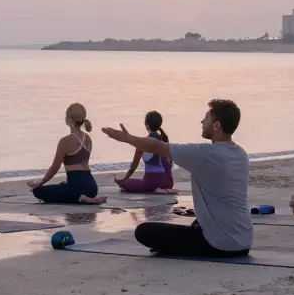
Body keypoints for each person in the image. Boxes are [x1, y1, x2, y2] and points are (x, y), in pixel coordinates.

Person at [102, 99, 252, 256]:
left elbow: (158, 147)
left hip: (218, 244)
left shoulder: (206, 154)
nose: (202, 121)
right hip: (244, 241)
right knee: (191, 226)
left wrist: (127, 138)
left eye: (206, 118)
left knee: (144, 231)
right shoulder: (240, 154)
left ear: (217, 125)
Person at [28, 103, 106, 204]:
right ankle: (86, 197)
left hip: (76, 188)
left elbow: (54, 168)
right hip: (92, 187)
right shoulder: (88, 138)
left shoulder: (65, 141)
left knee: (38, 191)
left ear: (69, 119)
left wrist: (40, 183)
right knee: (64, 186)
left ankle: (81, 197)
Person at [113, 111, 177, 194]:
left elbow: (133, 166)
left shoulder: (141, 143)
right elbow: (169, 165)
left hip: (151, 182)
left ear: (146, 124)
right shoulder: (164, 141)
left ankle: (157, 188)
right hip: (168, 182)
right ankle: (163, 188)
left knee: (126, 184)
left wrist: (125, 180)